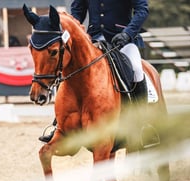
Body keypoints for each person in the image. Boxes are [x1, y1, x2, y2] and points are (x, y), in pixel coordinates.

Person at [39, 0, 149, 143]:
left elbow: (142, 10)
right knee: (68, 69)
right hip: (93, 39)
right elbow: (77, 11)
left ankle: (143, 123)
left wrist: (127, 33)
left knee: (136, 69)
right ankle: (60, 125)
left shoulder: (125, 36)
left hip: (122, 40)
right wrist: (71, 30)